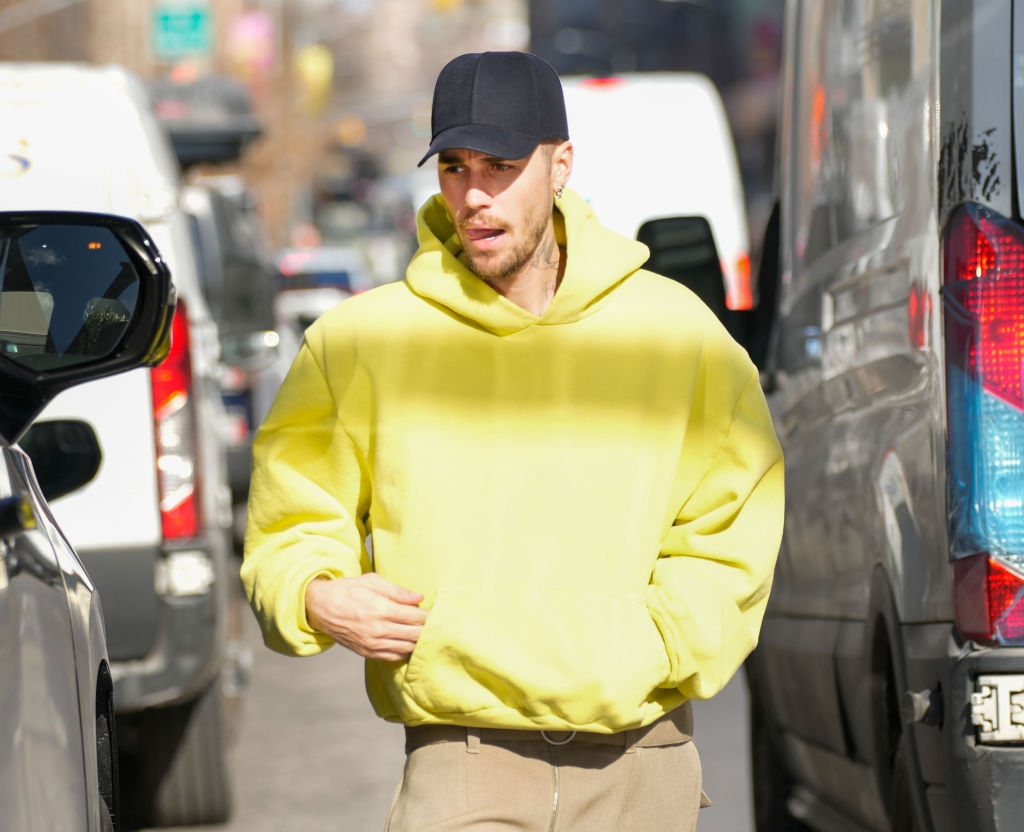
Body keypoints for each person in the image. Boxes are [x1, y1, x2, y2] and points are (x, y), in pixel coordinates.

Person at [242, 50, 785, 831]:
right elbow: (288, 528)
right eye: (455, 167)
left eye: (501, 164)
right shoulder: (358, 344)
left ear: (561, 164)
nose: (474, 195)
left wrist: (655, 647)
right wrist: (316, 596)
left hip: (642, 762)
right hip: (461, 765)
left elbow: (733, 526)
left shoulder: (677, 338)